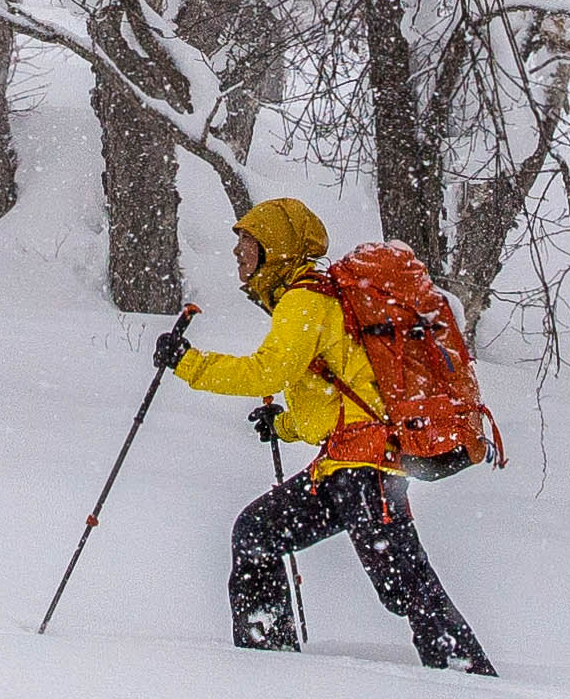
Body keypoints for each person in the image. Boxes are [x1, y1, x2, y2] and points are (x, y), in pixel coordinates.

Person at [158, 195, 494, 673]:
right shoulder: (312, 301)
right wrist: (285, 425)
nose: (238, 254)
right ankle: (267, 662)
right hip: (342, 469)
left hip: (365, 470)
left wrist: (189, 363)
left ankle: (471, 678)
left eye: (247, 244)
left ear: (275, 249)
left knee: (405, 581)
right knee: (257, 535)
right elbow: (328, 404)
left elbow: (265, 373)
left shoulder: (305, 300)